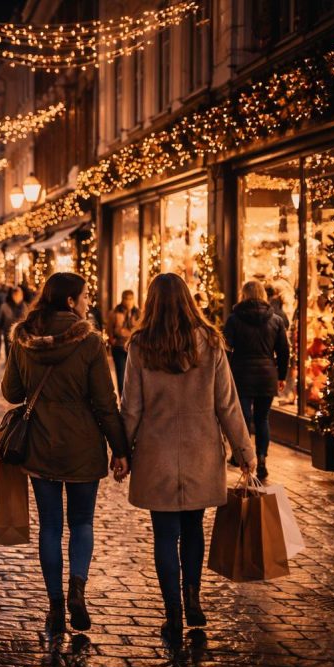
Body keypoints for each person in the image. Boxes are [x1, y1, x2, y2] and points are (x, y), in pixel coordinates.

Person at [120, 273, 256, 642]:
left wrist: (120, 451)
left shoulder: (140, 346)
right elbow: (227, 404)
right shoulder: (210, 343)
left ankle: (174, 613)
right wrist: (245, 450)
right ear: (188, 301)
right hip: (201, 450)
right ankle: (193, 596)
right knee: (193, 529)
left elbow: (130, 408)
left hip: (156, 452)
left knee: (165, 535)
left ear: (151, 303)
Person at [1, 272, 129, 635]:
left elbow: (11, 391)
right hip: (82, 446)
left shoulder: (24, 338)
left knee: (51, 527)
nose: (89, 302)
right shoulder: (89, 342)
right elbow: (105, 402)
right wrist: (120, 449)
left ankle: (55, 605)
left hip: (40, 445)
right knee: (82, 523)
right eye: (86, 296)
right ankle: (77, 588)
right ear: (71, 301)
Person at [223, 280, 290, 480]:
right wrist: (281, 376)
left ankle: (242, 457)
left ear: (244, 295)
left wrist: (224, 374)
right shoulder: (276, 320)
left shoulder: (235, 319)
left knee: (243, 418)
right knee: (262, 418)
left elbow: (226, 349)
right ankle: (261, 458)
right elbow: (283, 352)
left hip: (241, 374)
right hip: (267, 374)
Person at [108, 290, 139, 394]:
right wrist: (113, 340)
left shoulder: (137, 313)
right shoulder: (115, 312)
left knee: (133, 375)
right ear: (122, 299)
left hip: (133, 346)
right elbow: (110, 328)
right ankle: (122, 399)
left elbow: (139, 327)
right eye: (126, 299)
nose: (129, 302)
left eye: (131, 299)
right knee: (121, 375)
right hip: (119, 346)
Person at [0, 287, 27, 353]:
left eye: (19, 295)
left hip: (21, 333)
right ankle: (8, 362)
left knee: (20, 351)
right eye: (15, 295)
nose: (17, 297)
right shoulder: (5, 306)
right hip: (8, 332)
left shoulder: (25, 306)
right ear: (12, 295)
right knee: (9, 350)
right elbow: (0, 320)